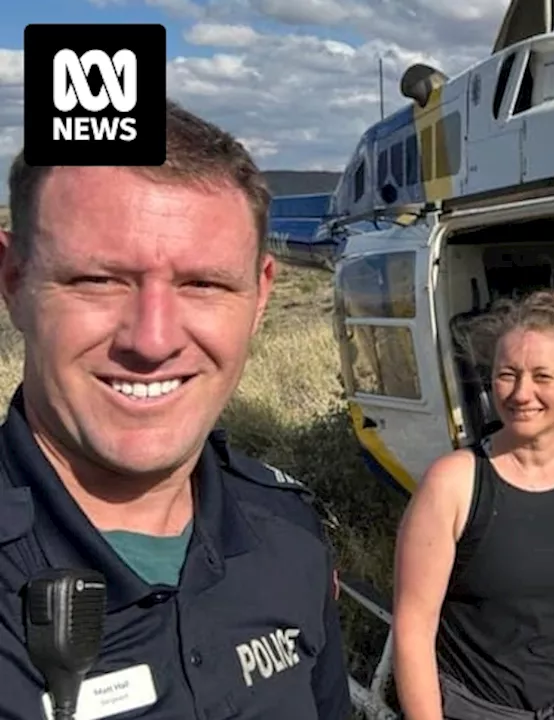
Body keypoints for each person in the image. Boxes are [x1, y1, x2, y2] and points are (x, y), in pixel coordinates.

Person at [0, 100, 351, 717]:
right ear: (12, 281)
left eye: (204, 284)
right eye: (98, 280)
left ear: (260, 295)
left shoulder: (289, 534)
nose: (153, 339)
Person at [392, 287, 554, 720]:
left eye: (542, 376)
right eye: (507, 374)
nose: (522, 393)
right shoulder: (452, 484)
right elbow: (414, 628)